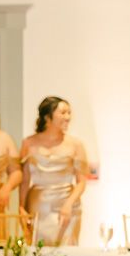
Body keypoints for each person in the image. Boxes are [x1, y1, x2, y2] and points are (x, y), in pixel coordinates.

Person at [20, 96, 88, 246]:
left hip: (67, 204)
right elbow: (25, 180)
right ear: (47, 116)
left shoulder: (76, 144)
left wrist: (68, 204)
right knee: (39, 252)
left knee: (67, 251)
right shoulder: (29, 143)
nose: (67, 117)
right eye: (63, 113)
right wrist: (21, 207)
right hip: (39, 205)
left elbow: (82, 182)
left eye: (69, 113)